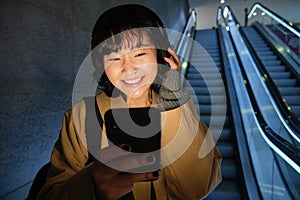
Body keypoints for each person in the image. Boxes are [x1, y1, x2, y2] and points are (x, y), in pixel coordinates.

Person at [35, 4, 222, 200]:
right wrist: (92, 186)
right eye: (115, 58)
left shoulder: (178, 106)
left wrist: (172, 94)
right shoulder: (82, 115)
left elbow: (198, 188)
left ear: (161, 55)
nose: (128, 68)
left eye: (139, 54)